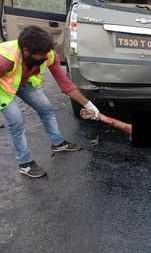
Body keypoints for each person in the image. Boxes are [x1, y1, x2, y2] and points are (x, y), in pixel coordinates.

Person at [0, 26, 100, 178]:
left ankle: (58, 143)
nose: (47, 57)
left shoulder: (48, 54)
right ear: (26, 50)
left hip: (23, 80)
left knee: (46, 108)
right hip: (3, 86)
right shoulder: (5, 59)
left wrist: (89, 105)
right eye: (42, 55)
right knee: (16, 121)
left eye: (47, 52)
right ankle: (25, 163)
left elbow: (65, 84)